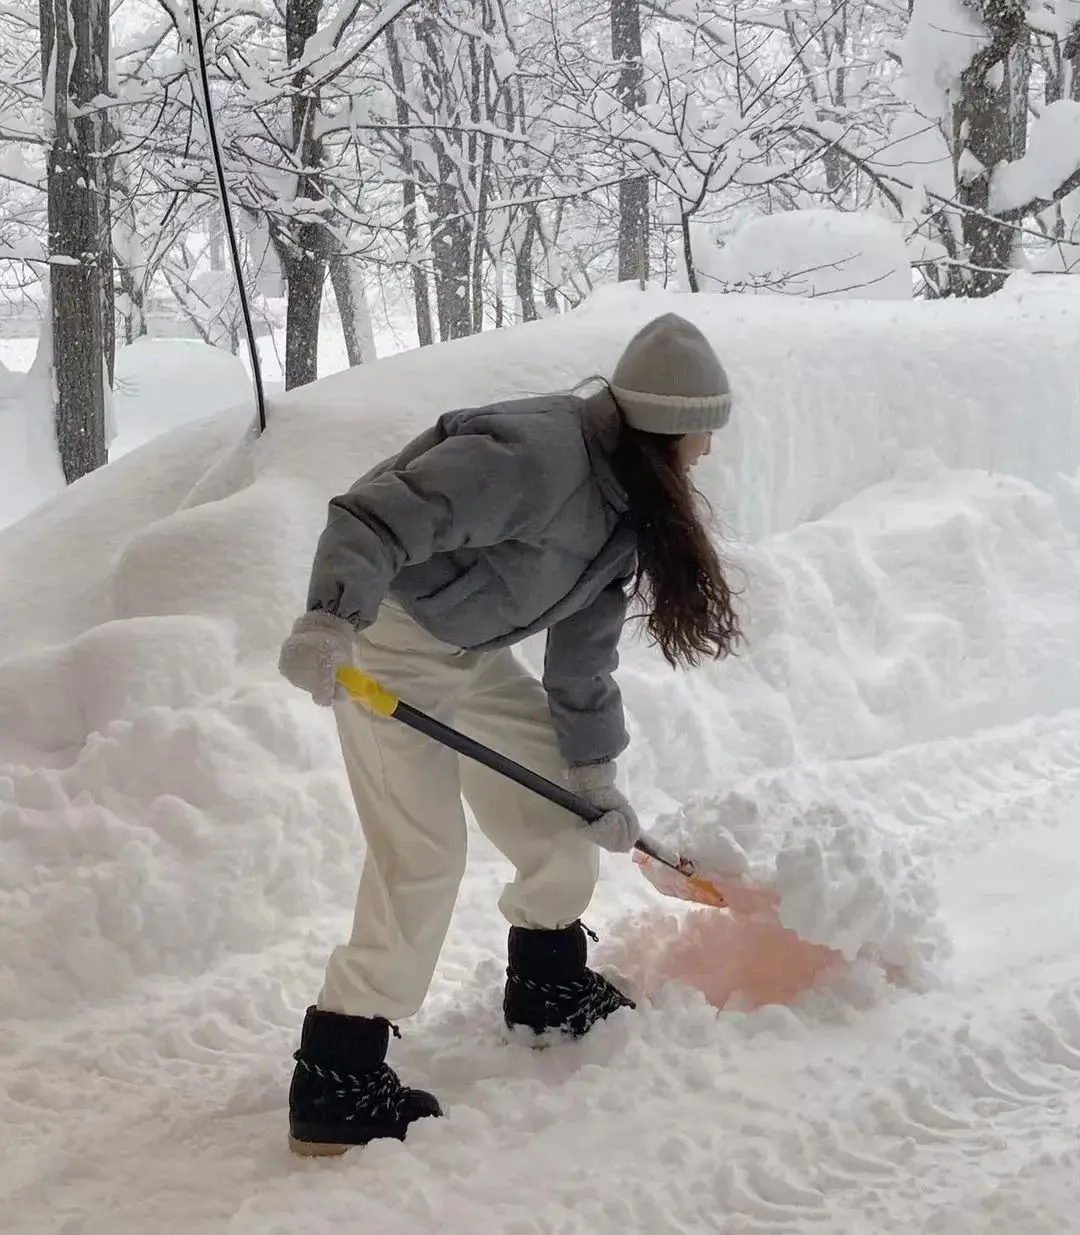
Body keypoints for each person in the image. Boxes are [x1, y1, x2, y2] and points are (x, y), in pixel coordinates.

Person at [277, 312, 741, 1155]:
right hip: (388, 645)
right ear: (664, 430)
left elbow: (582, 657)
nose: (705, 454)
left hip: (469, 650)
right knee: (421, 856)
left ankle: (547, 981)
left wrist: (594, 773)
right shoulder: (536, 457)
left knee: (560, 803)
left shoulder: (626, 501)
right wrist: (329, 620)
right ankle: (337, 1069)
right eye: (700, 437)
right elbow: (375, 517)